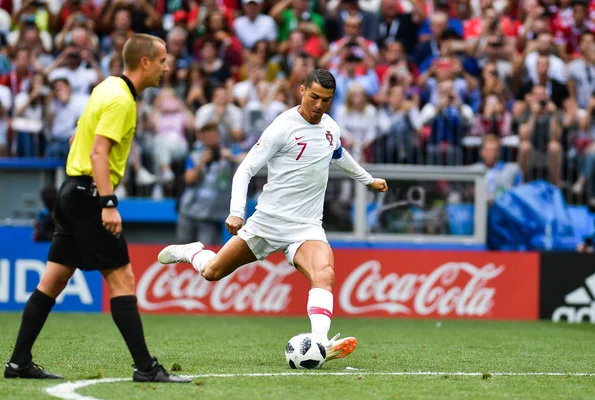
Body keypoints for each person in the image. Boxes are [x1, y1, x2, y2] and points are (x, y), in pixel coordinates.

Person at [157, 69, 388, 363]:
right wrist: (237, 212)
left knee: (324, 274)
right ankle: (192, 252)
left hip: (306, 226)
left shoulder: (330, 127)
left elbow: (339, 154)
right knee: (212, 272)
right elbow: (245, 169)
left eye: (326, 100)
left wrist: (368, 180)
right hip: (268, 223)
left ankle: (320, 342)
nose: (318, 105)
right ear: (302, 91)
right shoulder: (282, 127)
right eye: (314, 97)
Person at [4, 34, 190, 383]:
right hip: (90, 196)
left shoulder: (106, 87)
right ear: (145, 62)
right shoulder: (122, 100)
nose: (168, 67)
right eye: (163, 60)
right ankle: (146, 368)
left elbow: (80, 137)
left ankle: (18, 362)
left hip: (71, 191)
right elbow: (97, 152)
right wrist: (108, 203)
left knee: (54, 280)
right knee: (122, 279)